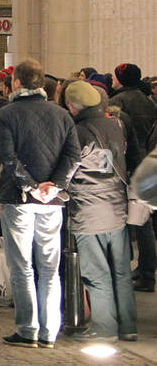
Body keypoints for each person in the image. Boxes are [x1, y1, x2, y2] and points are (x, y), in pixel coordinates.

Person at [0, 59, 81, 348]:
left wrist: (30, 186)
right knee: (49, 266)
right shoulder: (62, 115)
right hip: (52, 201)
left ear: (16, 83)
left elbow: (8, 156)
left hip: (18, 198)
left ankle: (28, 328)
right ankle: (49, 331)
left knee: (22, 267)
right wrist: (54, 185)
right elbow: (72, 157)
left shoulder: (6, 114)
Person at [63, 81, 138, 342]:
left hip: (89, 208)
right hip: (116, 206)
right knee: (121, 270)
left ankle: (105, 328)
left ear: (72, 106)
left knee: (96, 272)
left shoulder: (80, 131)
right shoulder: (115, 125)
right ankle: (128, 327)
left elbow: (70, 168)